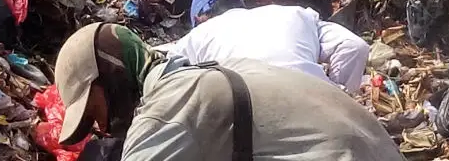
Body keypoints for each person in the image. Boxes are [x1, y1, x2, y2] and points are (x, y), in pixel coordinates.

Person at [55, 22, 403, 161]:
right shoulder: (220, 68)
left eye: (92, 113)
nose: (100, 129)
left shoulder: (168, 107)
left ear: (112, 75)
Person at [159, 0, 370, 95]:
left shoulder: (196, 36)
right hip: (318, 101)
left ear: (199, 18)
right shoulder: (295, 13)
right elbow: (355, 46)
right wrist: (339, 98)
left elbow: (163, 71)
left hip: (248, 114)